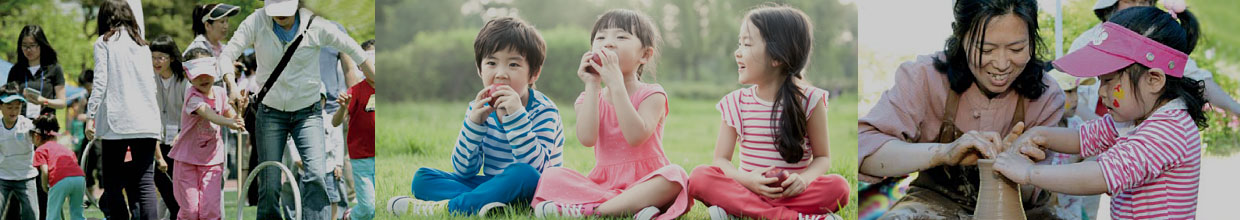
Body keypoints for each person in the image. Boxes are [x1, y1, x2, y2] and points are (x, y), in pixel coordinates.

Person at [856, 0, 1067, 218]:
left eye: (1016, 49)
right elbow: (864, 149)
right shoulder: (924, 77)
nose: (1002, 64)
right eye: (986, 49)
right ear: (960, 36)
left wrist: (1017, 168)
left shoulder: (1048, 96)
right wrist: (943, 153)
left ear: (1032, 40)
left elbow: (1033, 192)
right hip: (935, 201)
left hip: (1021, 209)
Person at [994, 6, 1204, 219]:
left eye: (1108, 81)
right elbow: (1081, 138)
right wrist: (1039, 135)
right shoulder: (1134, 120)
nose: (1101, 91)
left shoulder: (1169, 130)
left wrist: (1029, 173)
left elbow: (1101, 175)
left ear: (1154, 80)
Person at [214, 0, 376, 218]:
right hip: (270, 112)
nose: (280, 16)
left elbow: (355, 51)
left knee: (317, 175)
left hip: (308, 112)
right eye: (275, 10)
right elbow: (226, 55)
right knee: (270, 183)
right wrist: (231, 86)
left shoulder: (316, 25)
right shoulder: (256, 21)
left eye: (286, 10)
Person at [388, 16, 563, 217]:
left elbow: (537, 171)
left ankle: (449, 207)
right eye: (491, 63)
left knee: (522, 173)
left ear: (534, 74)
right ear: (480, 69)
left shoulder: (544, 111)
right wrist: (474, 125)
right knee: (423, 178)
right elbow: (463, 171)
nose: (501, 73)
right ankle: (491, 204)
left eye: (513, 64)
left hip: (535, 188)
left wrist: (516, 117)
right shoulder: (478, 107)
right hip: (492, 183)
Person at [688, 4, 850, 220]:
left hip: (791, 195)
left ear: (777, 58)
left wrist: (804, 180)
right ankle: (792, 217)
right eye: (739, 43)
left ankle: (739, 211)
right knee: (700, 176)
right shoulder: (735, 102)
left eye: (747, 44)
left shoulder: (811, 100)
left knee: (839, 186)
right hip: (747, 190)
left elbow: (822, 158)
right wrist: (748, 181)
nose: (737, 52)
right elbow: (720, 161)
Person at [530, 9, 689, 220]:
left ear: (645, 55)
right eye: (601, 38)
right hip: (604, 185)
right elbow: (587, 139)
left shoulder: (652, 95)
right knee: (552, 176)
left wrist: (616, 84)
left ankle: (594, 211)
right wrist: (592, 84)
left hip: (647, 182)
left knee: (676, 175)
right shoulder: (587, 97)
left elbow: (635, 136)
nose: (609, 43)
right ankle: (631, 208)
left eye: (621, 37)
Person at [87, 0, 165, 219]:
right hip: (145, 120)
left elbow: (100, 83)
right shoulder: (143, 45)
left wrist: (91, 115)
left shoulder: (103, 42)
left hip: (117, 122)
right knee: (145, 183)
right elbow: (151, 84)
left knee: (112, 184)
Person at [170, 52, 243, 220]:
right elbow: (209, 114)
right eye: (198, 75)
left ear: (214, 71)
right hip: (187, 160)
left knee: (210, 209)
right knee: (190, 211)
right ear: (188, 76)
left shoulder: (220, 93)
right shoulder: (192, 97)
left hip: (212, 160)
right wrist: (229, 122)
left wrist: (240, 111)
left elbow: (232, 115)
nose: (203, 79)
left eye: (207, 74)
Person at [150, 35, 188, 220]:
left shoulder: (184, 81)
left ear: (171, 58)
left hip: (181, 139)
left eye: (161, 57)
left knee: (179, 187)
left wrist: (181, 134)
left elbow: (190, 112)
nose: (156, 62)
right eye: (153, 57)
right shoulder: (150, 79)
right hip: (159, 139)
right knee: (161, 181)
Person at [331, 63, 375, 220]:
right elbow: (335, 122)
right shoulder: (355, 91)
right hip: (362, 157)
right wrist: (343, 108)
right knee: (369, 208)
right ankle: (350, 216)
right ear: (361, 68)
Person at [31, 113, 86, 220]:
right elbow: (74, 164)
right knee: (77, 214)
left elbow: (45, 171)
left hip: (59, 180)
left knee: (53, 215)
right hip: (80, 179)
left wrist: (44, 186)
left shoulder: (41, 150)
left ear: (36, 136)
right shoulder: (65, 148)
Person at [8, 25, 67, 119]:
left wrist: (44, 101)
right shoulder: (16, 70)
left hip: (45, 123)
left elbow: (62, 103)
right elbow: (8, 99)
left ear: (41, 45)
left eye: (32, 45)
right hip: (21, 123)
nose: (28, 50)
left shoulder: (54, 68)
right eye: (24, 46)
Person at [0, 83, 39, 220]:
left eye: (17, 107)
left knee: (32, 214)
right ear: (0, 106)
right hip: (3, 176)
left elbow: (39, 139)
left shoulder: (27, 124)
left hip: (26, 176)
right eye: (9, 107)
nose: (14, 111)